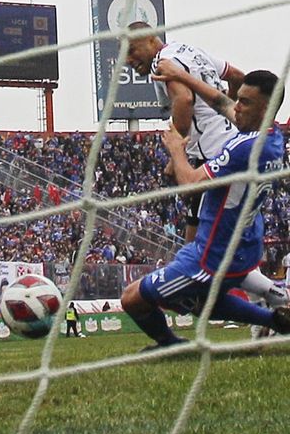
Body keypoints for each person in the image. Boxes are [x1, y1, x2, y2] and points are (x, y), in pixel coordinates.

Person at [121, 69, 290, 349]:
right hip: (242, 246)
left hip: (212, 257)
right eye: (239, 99)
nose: (236, 107)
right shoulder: (271, 137)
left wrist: (176, 149)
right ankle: (276, 315)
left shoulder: (244, 147)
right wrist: (183, 77)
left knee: (132, 298)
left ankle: (169, 344)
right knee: (197, 302)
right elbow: (221, 102)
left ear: (266, 108)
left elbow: (189, 184)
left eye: (245, 102)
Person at [125, 22, 246, 242]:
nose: (128, 60)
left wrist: (176, 154)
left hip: (212, 154)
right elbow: (237, 76)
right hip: (229, 144)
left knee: (197, 247)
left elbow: (184, 99)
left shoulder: (163, 64)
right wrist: (228, 109)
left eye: (132, 50)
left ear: (152, 39)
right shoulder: (192, 52)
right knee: (208, 238)